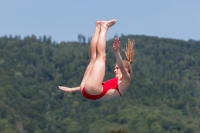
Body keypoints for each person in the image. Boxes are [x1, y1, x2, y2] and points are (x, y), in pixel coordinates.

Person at [58, 19, 135, 101]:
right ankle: (98, 27)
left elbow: (121, 66)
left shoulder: (127, 79)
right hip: (86, 89)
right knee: (93, 58)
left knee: (101, 57)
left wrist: (116, 52)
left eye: (117, 68)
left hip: (91, 90)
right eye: (115, 68)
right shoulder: (115, 81)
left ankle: (104, 28)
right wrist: (71, 89)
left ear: (127, 70)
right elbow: (91, 82)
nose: (114, 70)